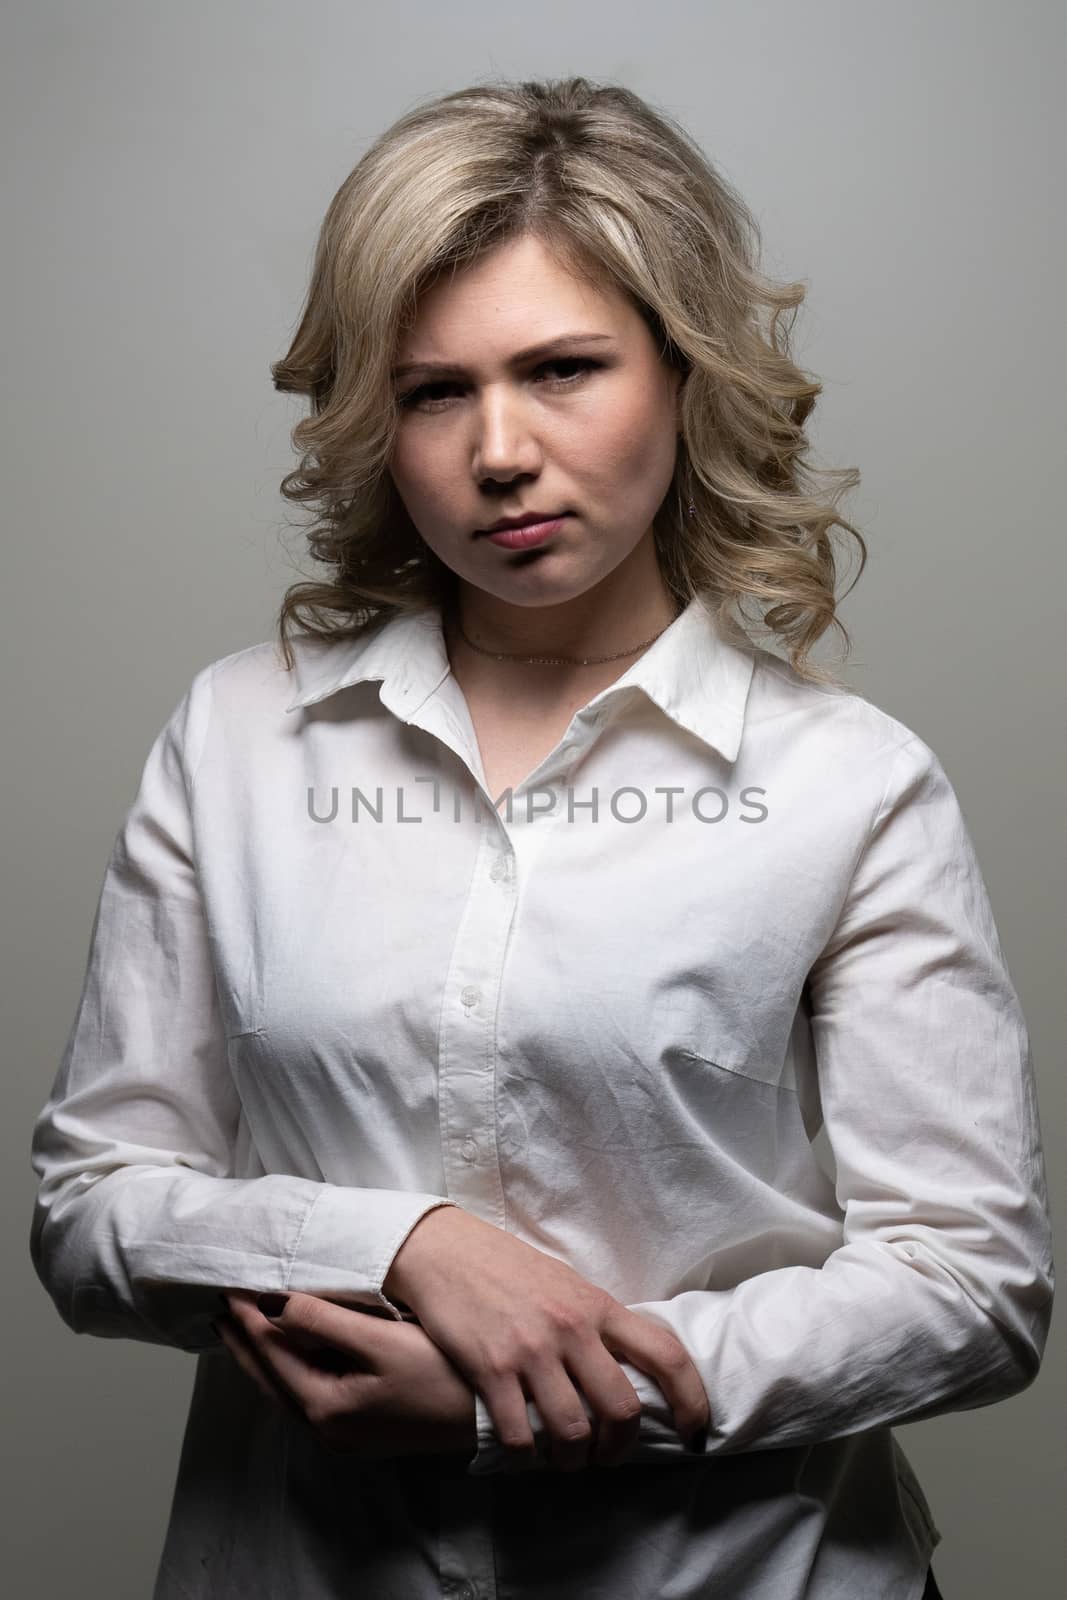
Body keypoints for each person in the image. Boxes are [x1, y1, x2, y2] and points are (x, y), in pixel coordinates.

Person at [29, 75, 1052, 1600]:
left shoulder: (853, 787)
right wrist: (401, 1242)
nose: (499, 449)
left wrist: (561, 1403)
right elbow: (92, 1207)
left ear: (685, 374)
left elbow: (971, 1290)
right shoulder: (239, 738)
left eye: (565, 367)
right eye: (436, 390)